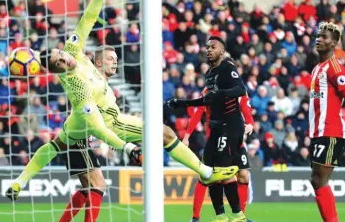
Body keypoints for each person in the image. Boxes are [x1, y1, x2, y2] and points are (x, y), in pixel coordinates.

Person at [5, 0, 143, 221]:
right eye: (59, 61)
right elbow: (98, 128)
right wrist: (126, 146)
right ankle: (21, 182)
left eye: (60, 53)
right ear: (57, 69)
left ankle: (20, 181)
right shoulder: (77, 87)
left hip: (77, 130)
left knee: (80, 173)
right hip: (82, 129)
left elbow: (87, 19)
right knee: (96, 184)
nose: (64, 57)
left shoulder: (73, 48)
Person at [59, 46, 239, 222]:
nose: (115, 62)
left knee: (91, 186)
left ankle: (206, 172)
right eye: (110, 59)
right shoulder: (91, 78)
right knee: (164, 134)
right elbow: (75, 68)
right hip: (86, 134)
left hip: (84, 134)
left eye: (116, 59)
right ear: (98, 62)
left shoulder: (101, 82)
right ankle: (206, 172)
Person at [167, 36, 248, 221]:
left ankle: (238, 215)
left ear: (222, 51)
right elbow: (206, 100)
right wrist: (182, 103)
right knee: (208, 172)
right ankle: (220, 215)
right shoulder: (210, 73)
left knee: (224, 172)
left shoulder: (228, 67)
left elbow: (241, 89)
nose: (209, 50)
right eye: (207, 47)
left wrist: (221, 94)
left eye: (213, 47)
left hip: (230, 126)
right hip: (215, 127)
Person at [183, 67, 254, 221]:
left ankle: (240, 216)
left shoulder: (238, 89)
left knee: (243, 176)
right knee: (210, 177)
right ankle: (196, 217)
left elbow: (246, 107)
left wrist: (250, 123)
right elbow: (198, 113)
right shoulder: (208, 91)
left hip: (235, 138)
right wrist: (187, 135)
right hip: (216, 139)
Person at [309, 22, 345, 222]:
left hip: (331, 131)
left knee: (319, 180)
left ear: (334, 43)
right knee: (317, 181)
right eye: (318, 36)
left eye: (325, 37)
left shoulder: (335, 68)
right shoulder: (317, 68)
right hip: (318, 133)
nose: (319, 39)